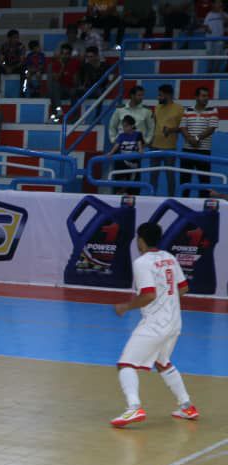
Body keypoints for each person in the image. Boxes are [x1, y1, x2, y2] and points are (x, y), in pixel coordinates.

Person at [110, 222, 199, 427]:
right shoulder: (169, 257)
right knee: (162, 362)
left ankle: (133, 408)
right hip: (174, 321)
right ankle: (187, 406)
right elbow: (183, 288)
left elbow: (148, 295)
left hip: (155, 324)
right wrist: (167, 301)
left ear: (140, 240)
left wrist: (126, 307)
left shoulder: (142, 262)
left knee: (125, 364)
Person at [179, 87, 219, 197]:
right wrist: (190, 139)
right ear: (196, 97)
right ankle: (184, 202)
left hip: (203, 151)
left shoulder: (213, 110)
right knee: (185, 180)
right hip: (187, 150)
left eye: (207, 96)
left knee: (204, 181)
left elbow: (211, 128)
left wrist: (196, 139)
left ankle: (203, 204)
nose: (206, 98)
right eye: (203, 96)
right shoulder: (187, 110)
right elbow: (182, 127)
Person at [150, 84, 184, 196]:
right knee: (153, 176)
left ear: (168, 95)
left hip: (170, 148)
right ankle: (151, 198)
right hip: (154, 147)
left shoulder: (179, 109)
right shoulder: (157, 107)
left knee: (170, 176)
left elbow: (183, 128)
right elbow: (154, 125)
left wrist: (171, 130)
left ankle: (171, 198)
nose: (158, 97)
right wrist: (150, 139)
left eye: (160, 95)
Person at [108, 115, 145, 194]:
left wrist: (140, 150)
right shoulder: (121, 136)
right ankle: (121, 190)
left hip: (134, 164)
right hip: (124, 162)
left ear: (132, 126)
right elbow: (117, 145)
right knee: (119, 167)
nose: (124, 128)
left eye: (126, 126)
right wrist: (111, 153)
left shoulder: (138, 134)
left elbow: (140, 145)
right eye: (123, 126)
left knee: (133, 185)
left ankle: (127, 190)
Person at [48, 43, 80, 120]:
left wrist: (74, 78)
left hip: (70, 88)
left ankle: (73, 117)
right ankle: (59, 110)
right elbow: (56, 78)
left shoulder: (75, 62)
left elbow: (76, 81)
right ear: (60, 54)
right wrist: (62, 67)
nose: (65, 56)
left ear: (70, 54)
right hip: (60, 90)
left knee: (74, 91)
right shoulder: (56, 63)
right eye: (63, 54)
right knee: (54, 87)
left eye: (67, 54)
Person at [0, 29, 27, 97]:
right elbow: (0, 61)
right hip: (6, 66)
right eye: (14, 37)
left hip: (17, 66)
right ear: (9, 38)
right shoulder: (4, 46)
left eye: (17, 37)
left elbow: (22, 61)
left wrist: (12, 68)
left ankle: (22, 91)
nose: (16, 39)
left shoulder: (21, 46)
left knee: (25, 71)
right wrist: (5, 67)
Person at [203, 0, 226, 73]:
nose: (220, 4)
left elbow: (226, 22)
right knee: (210, 56)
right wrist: (208, 29)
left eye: (220, 3)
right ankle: (209, 72)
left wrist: (221, 13)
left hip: (219, 38)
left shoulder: (224, 14)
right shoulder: (209, 14)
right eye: (218, 3)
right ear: (213, 4)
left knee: (218, 57)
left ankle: (216, 72)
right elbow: (205, 25)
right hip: (209, 39)